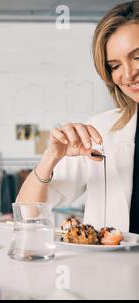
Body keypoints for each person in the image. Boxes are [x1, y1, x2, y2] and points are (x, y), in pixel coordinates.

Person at [17, 1, 139, 233]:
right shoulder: (100, 131)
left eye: (137, 57)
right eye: (114, 66)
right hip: (113, 269)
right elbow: (28, 213)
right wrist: (51, 156)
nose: (128, 74)